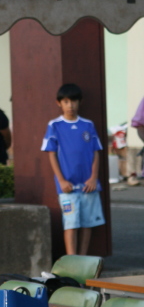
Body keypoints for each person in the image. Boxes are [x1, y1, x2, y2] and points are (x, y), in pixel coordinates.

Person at [41, 83, 105, 256]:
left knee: (87, 224)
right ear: (59, 103)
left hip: (88, 186)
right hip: (67, 187)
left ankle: (82, 260)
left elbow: (95, 152)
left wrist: (93, 177)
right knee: (71, 225)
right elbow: (52, 154)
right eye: (66, 102)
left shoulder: (88, 125)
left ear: (80, 102)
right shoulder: (55, 125)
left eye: (74, 101)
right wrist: (61, 180)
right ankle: (72, 260)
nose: (70, 105)